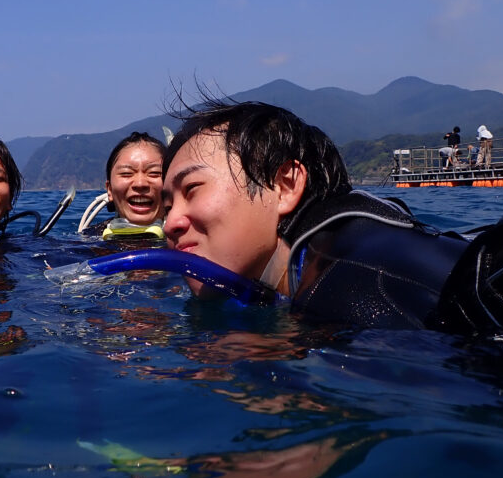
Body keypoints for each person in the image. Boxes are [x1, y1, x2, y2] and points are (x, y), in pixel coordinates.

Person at [161, 100, 468, 328]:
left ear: (284, 185)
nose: (170, 224)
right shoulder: (349, 247)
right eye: (167, 207)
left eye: (191, 189)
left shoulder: (351, 286)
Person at [79, 131, 167, 239]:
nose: (140, 183)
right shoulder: (90, 240)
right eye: (126, 173)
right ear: (109, 190)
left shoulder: (189, 236)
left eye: (154, 173)